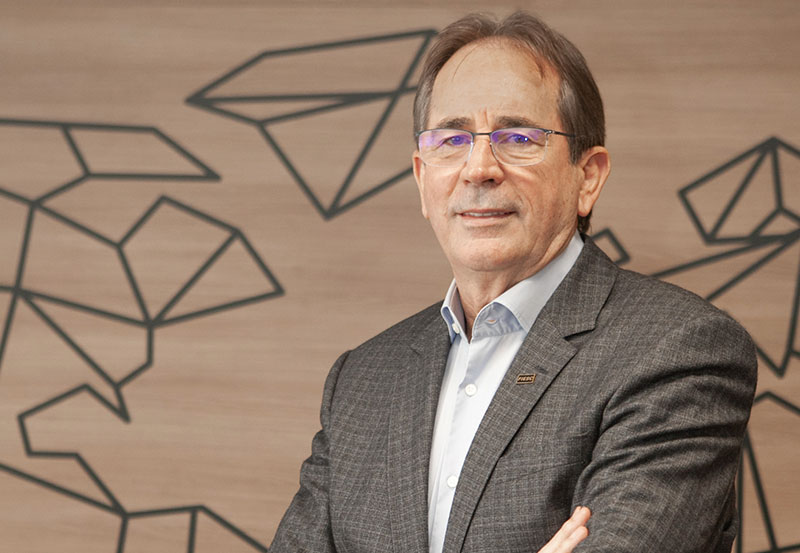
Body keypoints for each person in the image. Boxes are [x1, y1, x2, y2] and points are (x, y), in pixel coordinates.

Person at [270, 11, 757, 553]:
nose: (478, 167)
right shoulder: (362, 379)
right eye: (451, 139)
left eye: (519, 136)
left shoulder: (678, 350)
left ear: (587, 177)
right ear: (422, 179)